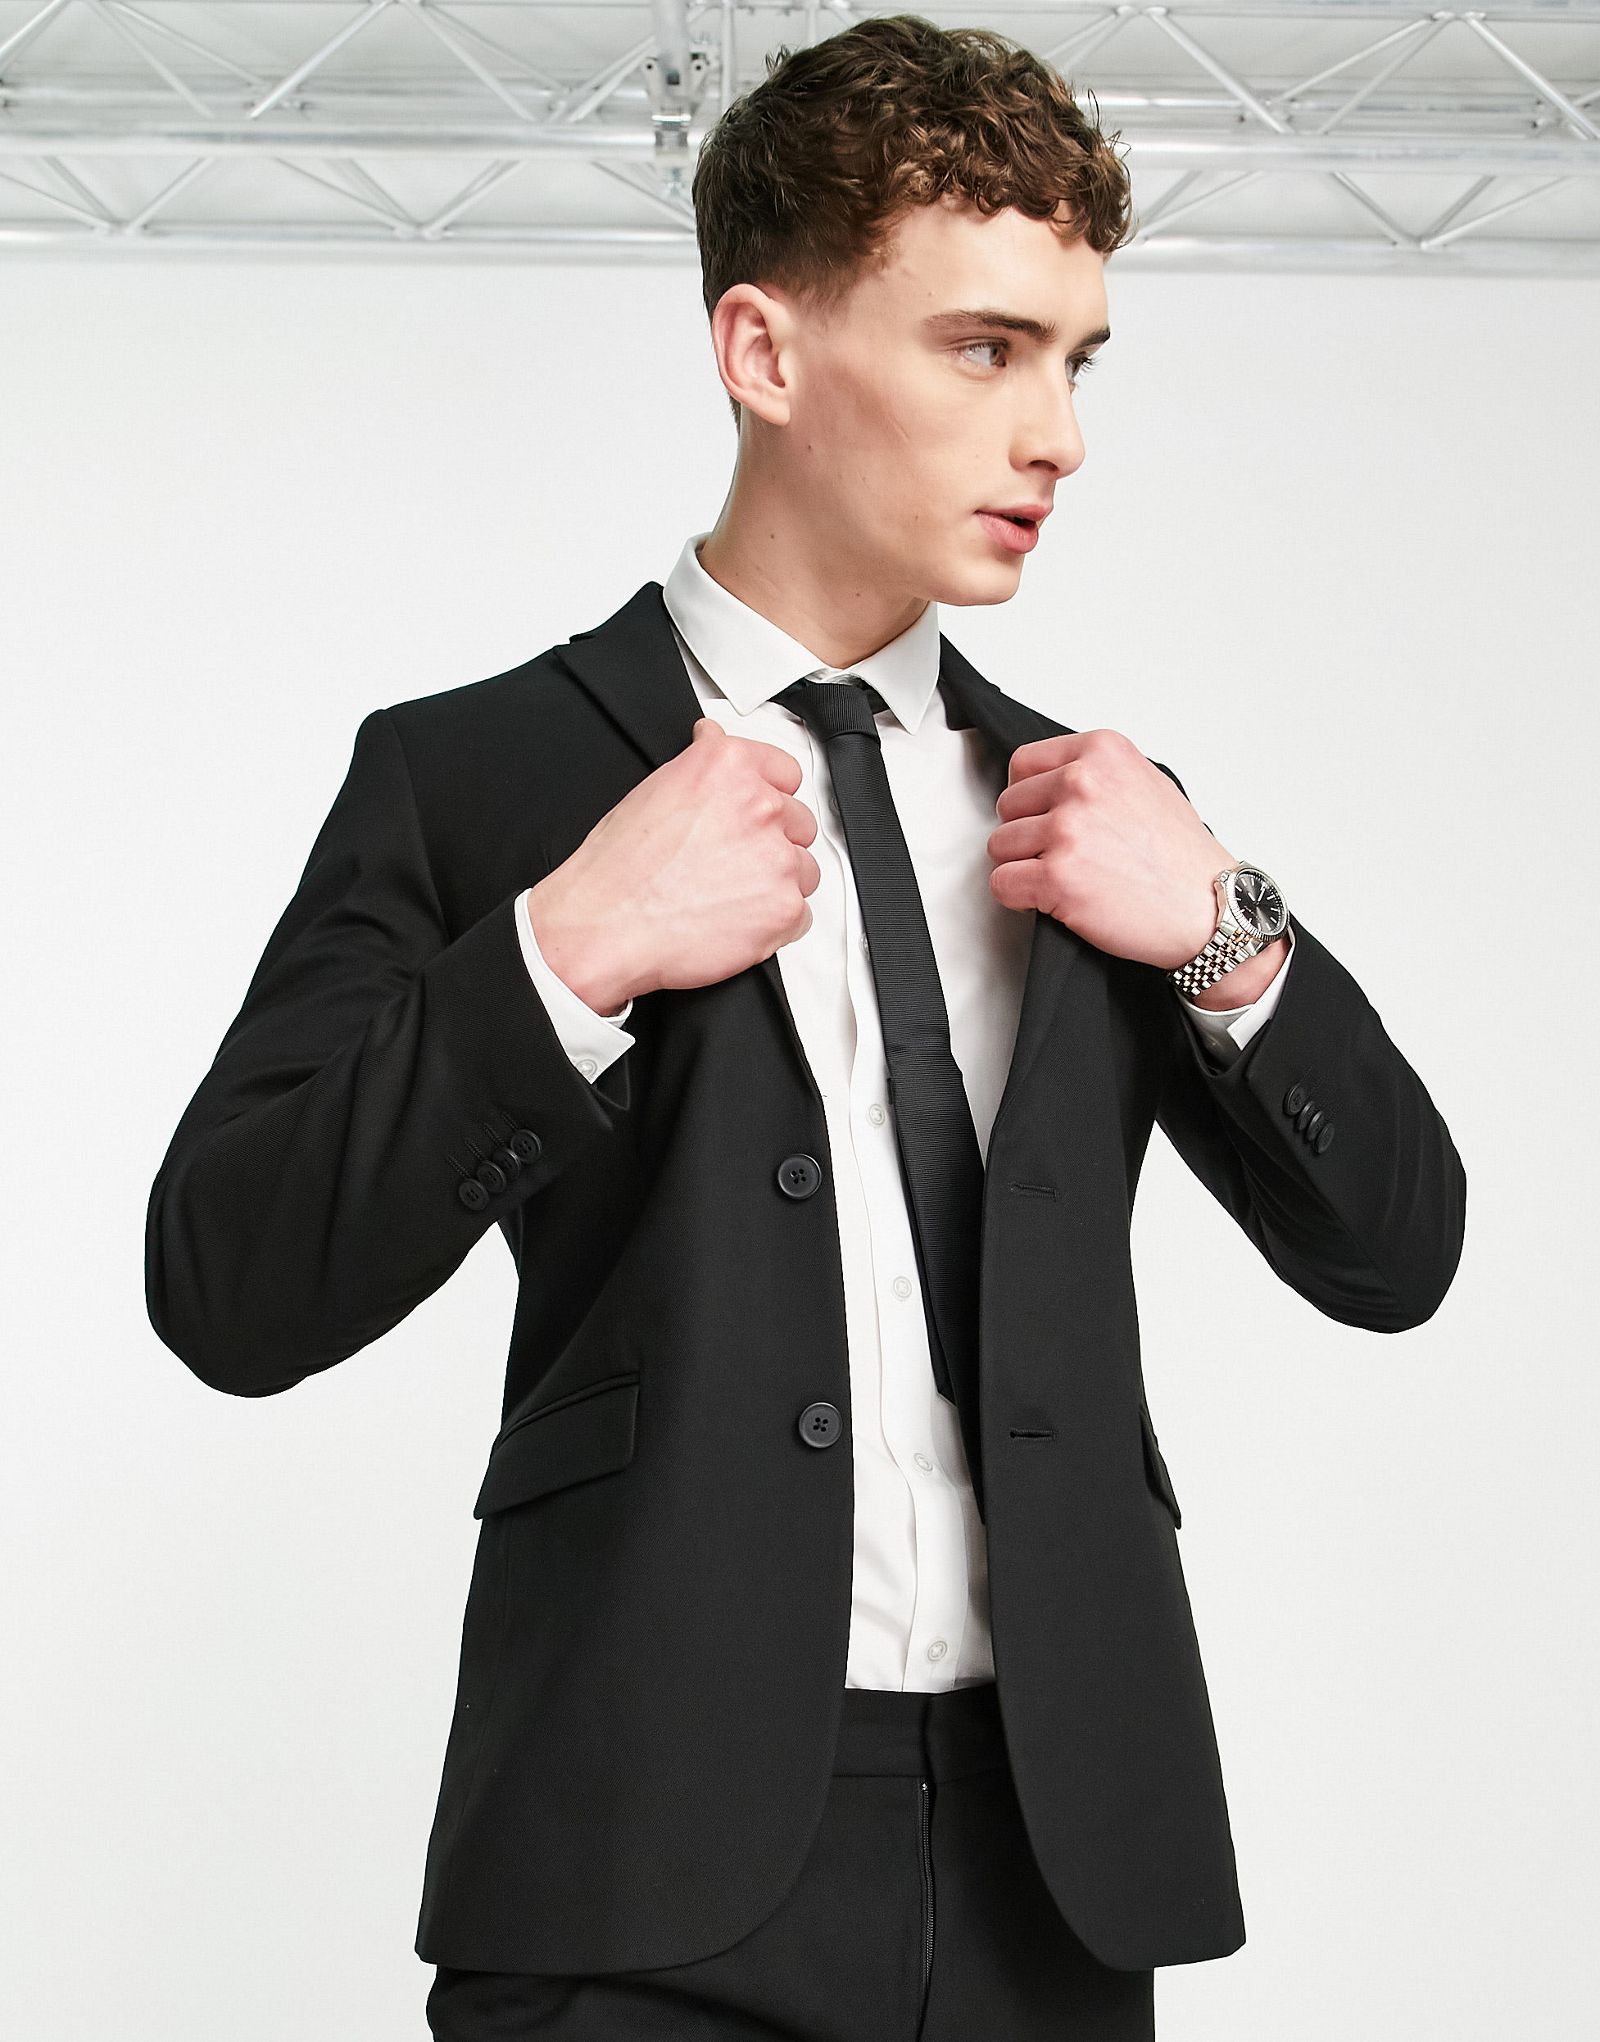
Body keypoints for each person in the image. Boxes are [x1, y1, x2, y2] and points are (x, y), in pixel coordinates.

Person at [145, 15, 1467, 2039]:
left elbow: (1398, 1246)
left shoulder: (1102, 813)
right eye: (984, 348)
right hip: (632, 1865)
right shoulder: (478, 776)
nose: (1058, 435)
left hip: (1055, 1870)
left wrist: (1222, 926)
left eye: (1077, 361)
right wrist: (566, 950)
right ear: (761, 352)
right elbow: (229, 1281)